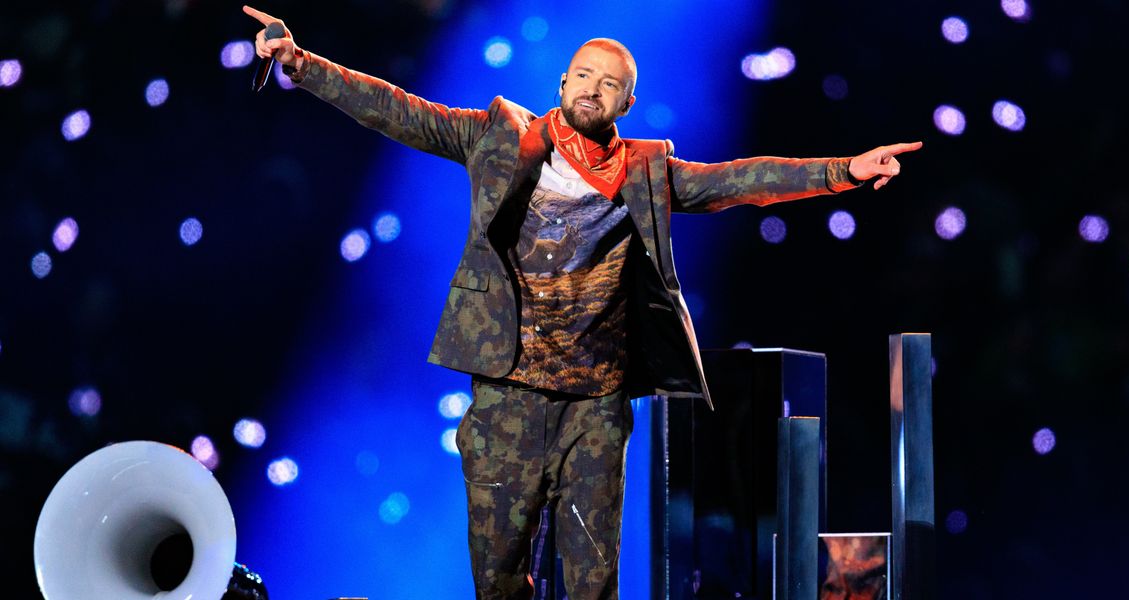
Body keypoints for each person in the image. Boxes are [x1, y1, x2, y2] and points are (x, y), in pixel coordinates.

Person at [243, 6, 921, 599]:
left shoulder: (645, 171)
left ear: (626, 103)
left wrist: (843, 171)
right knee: (498, 579)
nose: (594, 88)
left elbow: (739, 181)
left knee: (593, 582)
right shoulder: (497, 137)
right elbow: (398, 110)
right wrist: (300, 63)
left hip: (595, 405)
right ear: (562, 83)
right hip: (507, 396)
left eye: (610, 83)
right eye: (584, 75)